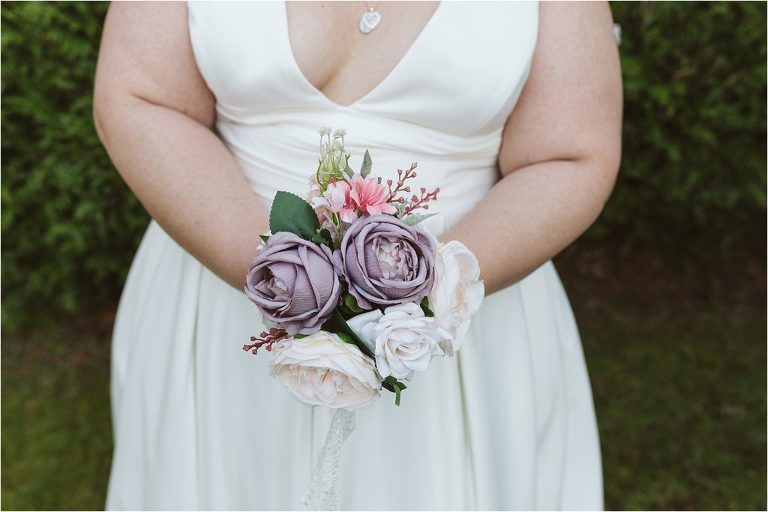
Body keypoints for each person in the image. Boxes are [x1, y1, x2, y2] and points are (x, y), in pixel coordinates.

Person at [93, 1, 622, 509]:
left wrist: (419, 299)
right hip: (220, 287)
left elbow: (571, 155)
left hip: (450, 327)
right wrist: (286, 284)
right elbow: (142, 98)